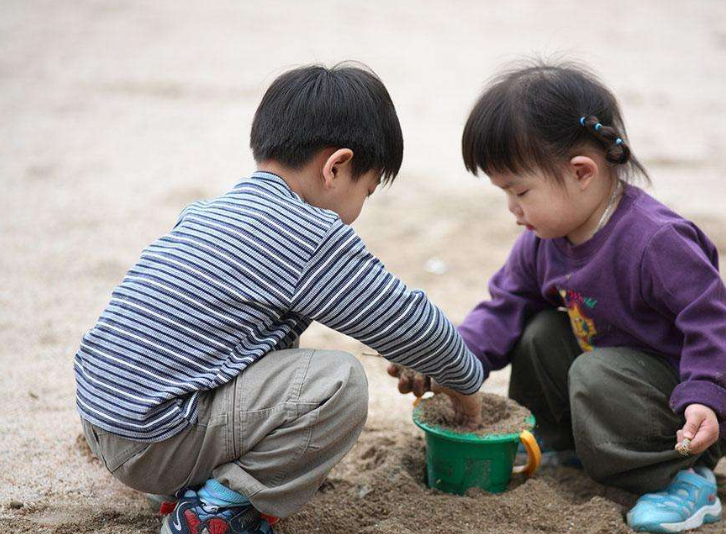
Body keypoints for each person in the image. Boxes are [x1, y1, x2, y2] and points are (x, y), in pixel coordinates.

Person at [74, 62, 483, 534]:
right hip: (156, 439)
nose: (359, 210)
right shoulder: (304, 233)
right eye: (366, 191)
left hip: (107, 419)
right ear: (336, 167)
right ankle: (217, 512)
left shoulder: (212, 211)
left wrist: (410, 354)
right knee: (337, 385)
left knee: (272, 357)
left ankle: (185, 482)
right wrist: (466, 388)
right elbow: (409, 321)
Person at [390, 61, 726, 533]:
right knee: (541, 329)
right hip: (614, 386)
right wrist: (446, 361)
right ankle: (562, 443)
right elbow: (504, 308)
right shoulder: (543, 241)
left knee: (594, 370)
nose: (512, 209)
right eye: (503, 192)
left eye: (519, 190)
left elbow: (713, 323)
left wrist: (705, 396)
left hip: (690, 416)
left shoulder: (655, 240)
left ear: (581, 172)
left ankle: (680, 480)